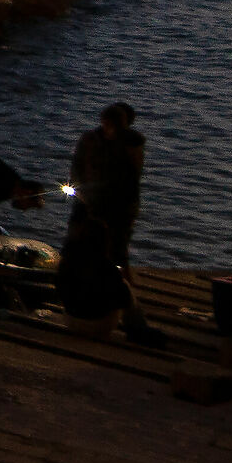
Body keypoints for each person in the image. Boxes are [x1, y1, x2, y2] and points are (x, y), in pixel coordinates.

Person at [59, 101, 165, 346]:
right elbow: (77, 169)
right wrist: (83, 196)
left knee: (118, 246)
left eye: (112, 125)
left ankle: (126, 283)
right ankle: (132, 312)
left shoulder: (131, 143)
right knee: (82, 244)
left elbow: (132, 177)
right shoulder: (90, 140)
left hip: (115, 204)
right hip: (90, 201)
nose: (107, 128)